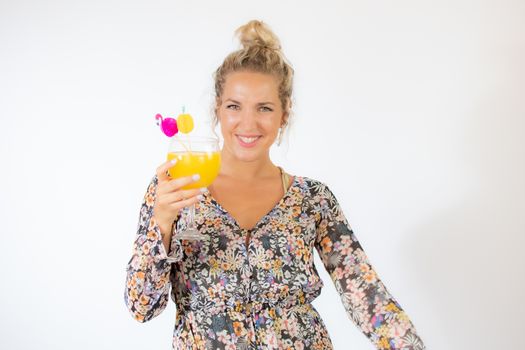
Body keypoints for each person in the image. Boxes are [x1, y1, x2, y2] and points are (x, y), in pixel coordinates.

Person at [124, 19, 426, 350]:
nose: (248, 123)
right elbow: (142, 307)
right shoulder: (177, 187)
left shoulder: (313, 200)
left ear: (284, 114)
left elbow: (365, 296)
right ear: (218, 111)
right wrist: (163, 222)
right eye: (234, 106)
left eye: (264, 108)